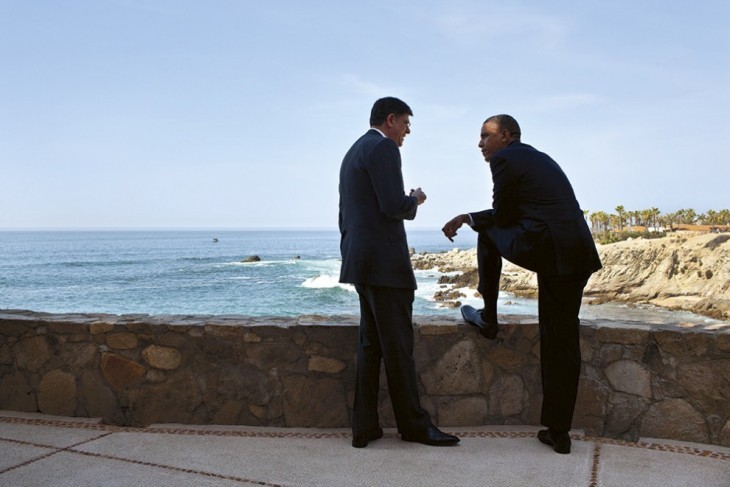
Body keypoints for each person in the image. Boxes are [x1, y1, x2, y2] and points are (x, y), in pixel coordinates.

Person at [442, 114, 601, 454]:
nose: (480, 143)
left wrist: (469, 219)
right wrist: (469, 217)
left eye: (486, 136)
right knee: (562, 340)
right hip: (575, 254)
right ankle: (559, 431)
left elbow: (503, 217)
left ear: (507, 136)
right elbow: (519, 213)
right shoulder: (536, 157)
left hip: (553, 251)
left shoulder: (505, 159)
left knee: (485, 232)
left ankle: (489, 317)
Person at [339, 97, 459, 448]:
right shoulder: (383, 148)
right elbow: (394, 206)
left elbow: (350, 212)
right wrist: (416, 199)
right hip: (385, 266)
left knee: (371, 345)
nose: (408, 130)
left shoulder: (354, 151)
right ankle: (415, 427)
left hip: (361, 262)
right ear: (390, 120)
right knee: (399, 348)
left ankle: (364, 427)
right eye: (406, 123)